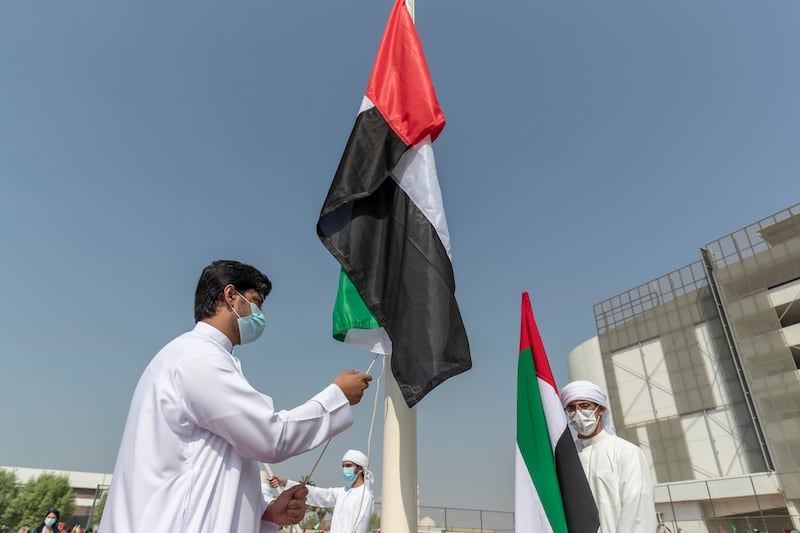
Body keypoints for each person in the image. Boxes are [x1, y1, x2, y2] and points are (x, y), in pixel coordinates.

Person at [103, 260, 372, 533]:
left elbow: (211, 473)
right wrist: (338, 396)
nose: (259, 315)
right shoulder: (198, 358)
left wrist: (267, 514)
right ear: (231, 295)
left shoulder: (203, 357)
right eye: (256, 303)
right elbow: (270, 437)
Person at [559, 380, 657, 533]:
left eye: (584, 406)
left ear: (600, 409)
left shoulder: (626, 452)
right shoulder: (566, 458)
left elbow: (637, 510)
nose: (577, 413)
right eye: (571, 408)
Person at [268, 450, 374, 533]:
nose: (345, 469)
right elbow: (318, 494)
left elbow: (361, 527)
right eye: (343, 466)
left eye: (348, 466)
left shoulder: (365, 495)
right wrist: (286, 483)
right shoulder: (342, 492)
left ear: (360, 469)